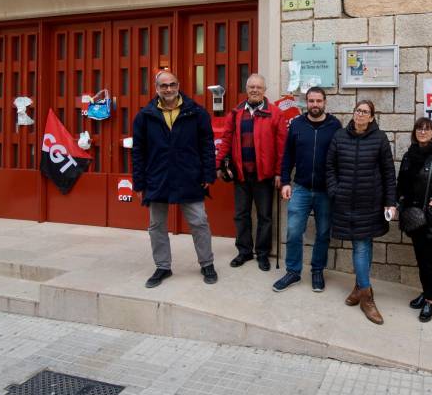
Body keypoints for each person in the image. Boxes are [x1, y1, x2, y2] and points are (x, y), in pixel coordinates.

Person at [132, 70, 217, 288]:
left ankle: (207, 263)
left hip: (190, 176)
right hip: (157, 178)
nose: (168, 89)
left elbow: (207, 145)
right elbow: (138, 152)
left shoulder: (196, 112)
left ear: (178, 85)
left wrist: (208, 173)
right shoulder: (145, 115)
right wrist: (139, 182)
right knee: (156, 225)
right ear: (156, 88)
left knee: (199, 222)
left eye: (172, 84)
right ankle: (163, 267)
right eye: (163, 85)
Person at [326, 100, 396, 325]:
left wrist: (389, 202)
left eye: (366, 112)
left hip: (371, 203)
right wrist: (335, 190)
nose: (361, 115)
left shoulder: (380, 138)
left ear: (372, 117)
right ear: (353, 113)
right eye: (358, 110)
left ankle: (365, 296)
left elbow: (388, 172)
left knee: (362, 244)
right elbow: (330, 167)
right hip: (345, 201)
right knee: (362, 245)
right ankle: (361, 288)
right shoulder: (339, 136)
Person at [272, 87, 342, 292]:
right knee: (294, 231)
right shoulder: (297, 125)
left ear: (325, 102)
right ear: (306, 103)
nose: (315, 105)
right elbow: (287, 156)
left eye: (319, 101)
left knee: (323, 233)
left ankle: (317, 271)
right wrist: (285, 181)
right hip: (301, 188)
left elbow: (340, 158)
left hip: (325, 191)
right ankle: (293, 272)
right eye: (311, 101)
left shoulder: (335, 125)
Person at [215, 74, 287, 272]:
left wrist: (280, 172)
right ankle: (244, 251)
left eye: (258, 87)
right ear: (246, 89)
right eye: (251, 87)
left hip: (264, 175)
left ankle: (262, 254)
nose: (255, 90)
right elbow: (226, 139)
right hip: (241, 174)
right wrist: (219, 164)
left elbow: (282, 148)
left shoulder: (275, 113)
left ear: (265, 90)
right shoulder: (236, 112)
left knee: (265, 216)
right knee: (241, 215)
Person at [397, 118, 432, 323]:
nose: (422, 132)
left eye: (426, 129)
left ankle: (430, 301)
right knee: (421, 261)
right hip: (414, 218)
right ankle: (425, 292)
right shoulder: (408, 156)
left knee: (430, 262)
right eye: (419, 129)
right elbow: (401, 184)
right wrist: (399, 202)